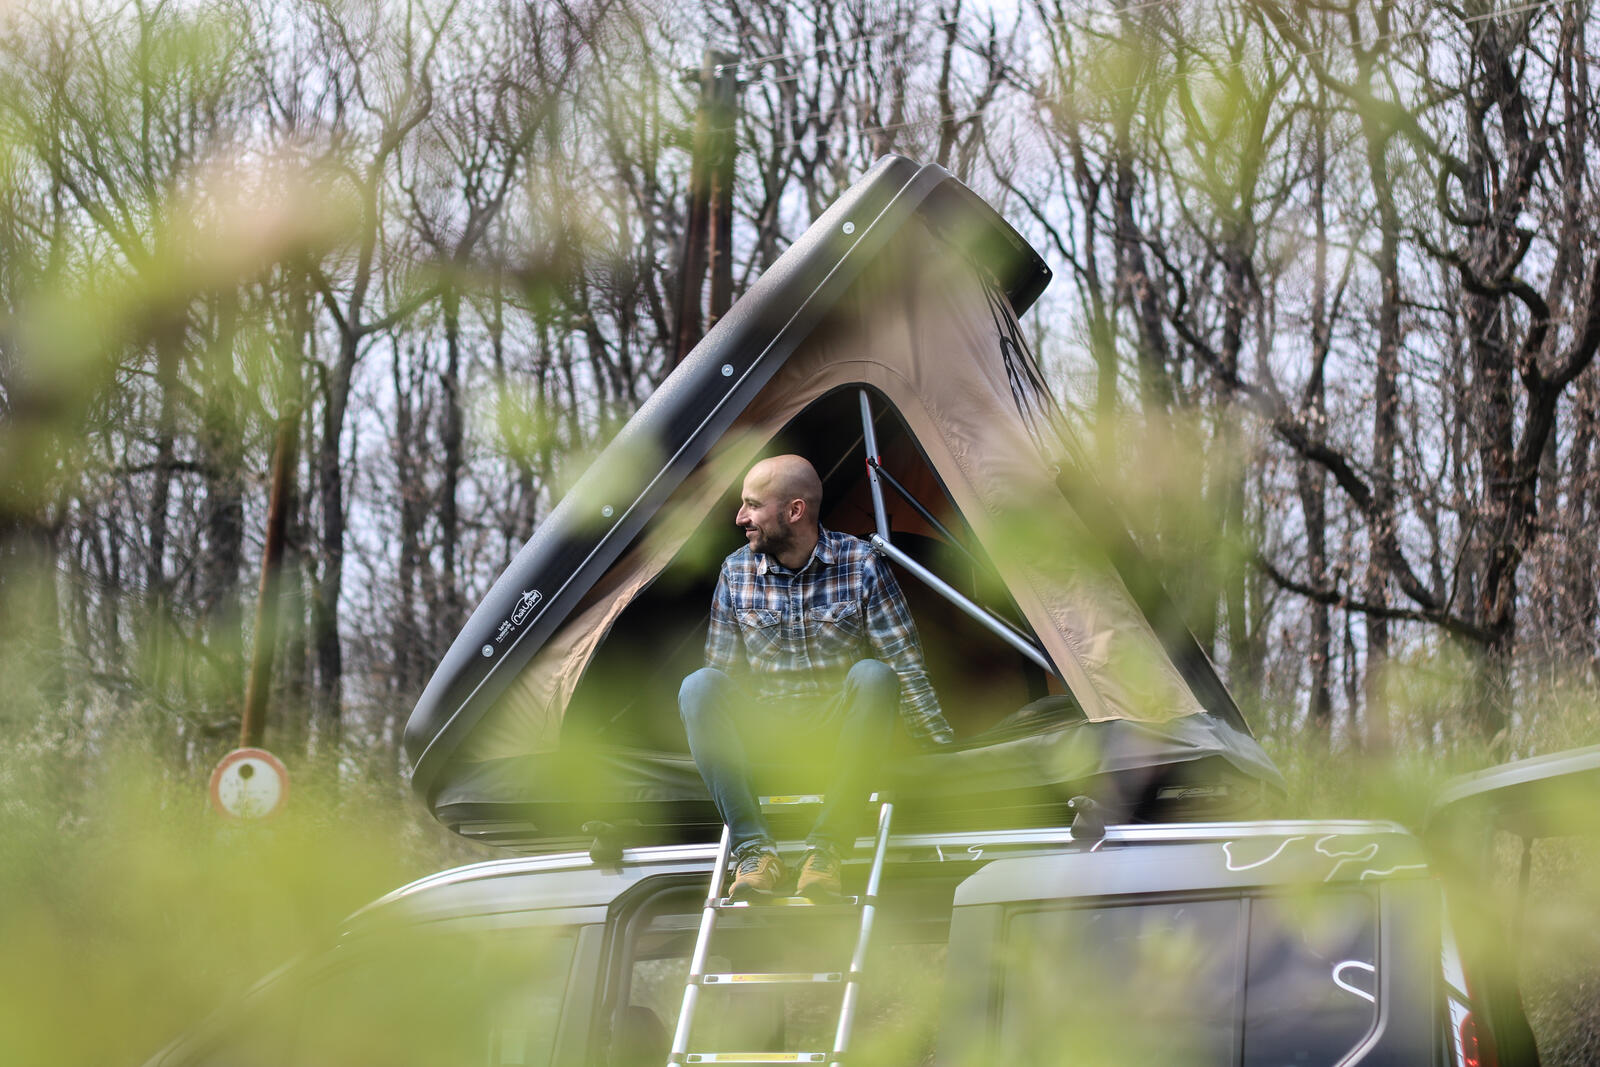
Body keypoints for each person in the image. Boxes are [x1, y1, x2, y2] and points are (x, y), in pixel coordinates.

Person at [679, 454, 954, 900]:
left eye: (751, 504)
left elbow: (905, 664)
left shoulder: (861, 562)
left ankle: (826, 852)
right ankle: (754, 852)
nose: (740, 517)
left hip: (838, 729)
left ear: (794, 511)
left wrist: (943, 755)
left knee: (874, 675)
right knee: (699, 685)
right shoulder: (735, 571)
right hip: (767, 728)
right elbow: (721, 676)